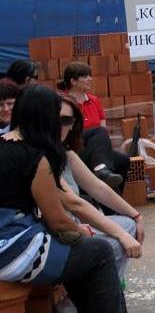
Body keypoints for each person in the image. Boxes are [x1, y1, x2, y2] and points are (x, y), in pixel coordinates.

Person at [0, 85, 126, 312]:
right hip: (13, 254)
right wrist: (81, 231)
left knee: (77, 253)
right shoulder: (36, 159)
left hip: (7, 243)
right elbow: (57, 219)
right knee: (99, 251)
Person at [58, 92, 144, 280]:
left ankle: (109, 289)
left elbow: (97, 187)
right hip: (57, 231)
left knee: (128, 222)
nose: (60, 126)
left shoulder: (65, 151)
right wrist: (120, 234)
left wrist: (136, 215)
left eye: (66, 121)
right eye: (55, 119)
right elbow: (73, 203)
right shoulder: (42, 155)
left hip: (72, 224)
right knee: (108, 247)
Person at [59, 62, 129, 191]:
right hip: (76, 148)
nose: (90, 79)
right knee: (99, 132)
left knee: (122, 160)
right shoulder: (64, 103)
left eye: (90, 76)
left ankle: (105, 176)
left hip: (96, 150)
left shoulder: (94, 100)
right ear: (73, 81)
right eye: (85, 76)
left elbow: (103, 129)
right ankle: (102, 171)